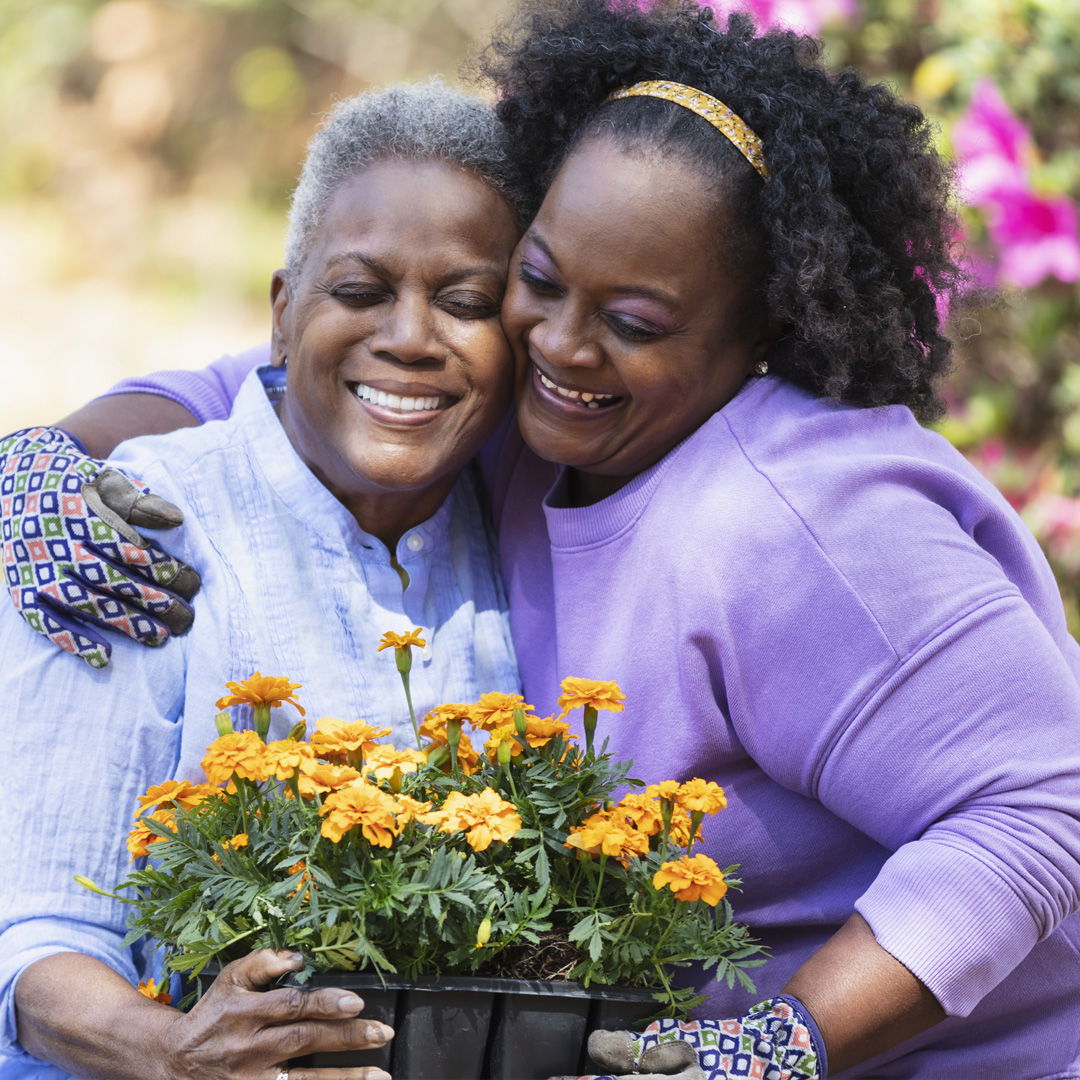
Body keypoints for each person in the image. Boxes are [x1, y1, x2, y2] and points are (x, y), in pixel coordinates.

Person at [5, 2, 1080, 1077]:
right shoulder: (532, 428)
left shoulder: (804, 521)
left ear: (762, 330)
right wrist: (45, 456)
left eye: (636, 322)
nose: (561, 344)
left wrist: (771, 1048)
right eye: (539, 281)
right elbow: (307, 379)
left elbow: (1048, 804)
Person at [0, 79, 525, 1079]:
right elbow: (34, 940)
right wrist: (170, 1049)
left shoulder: (522, 523)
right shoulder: (128, 534)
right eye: (362, 292)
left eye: (466, 302)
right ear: (283, 314)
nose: (412, 337)